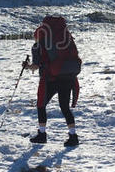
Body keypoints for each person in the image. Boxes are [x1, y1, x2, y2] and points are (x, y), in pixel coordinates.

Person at [25, 16, 81, 147]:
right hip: (68, 76)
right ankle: (73, 136)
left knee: (41, 105)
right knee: (65, 107)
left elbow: (36, 65)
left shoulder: (39, 45)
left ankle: (42, 134)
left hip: (50, 78)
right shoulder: (65, 38)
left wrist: (27, 66)